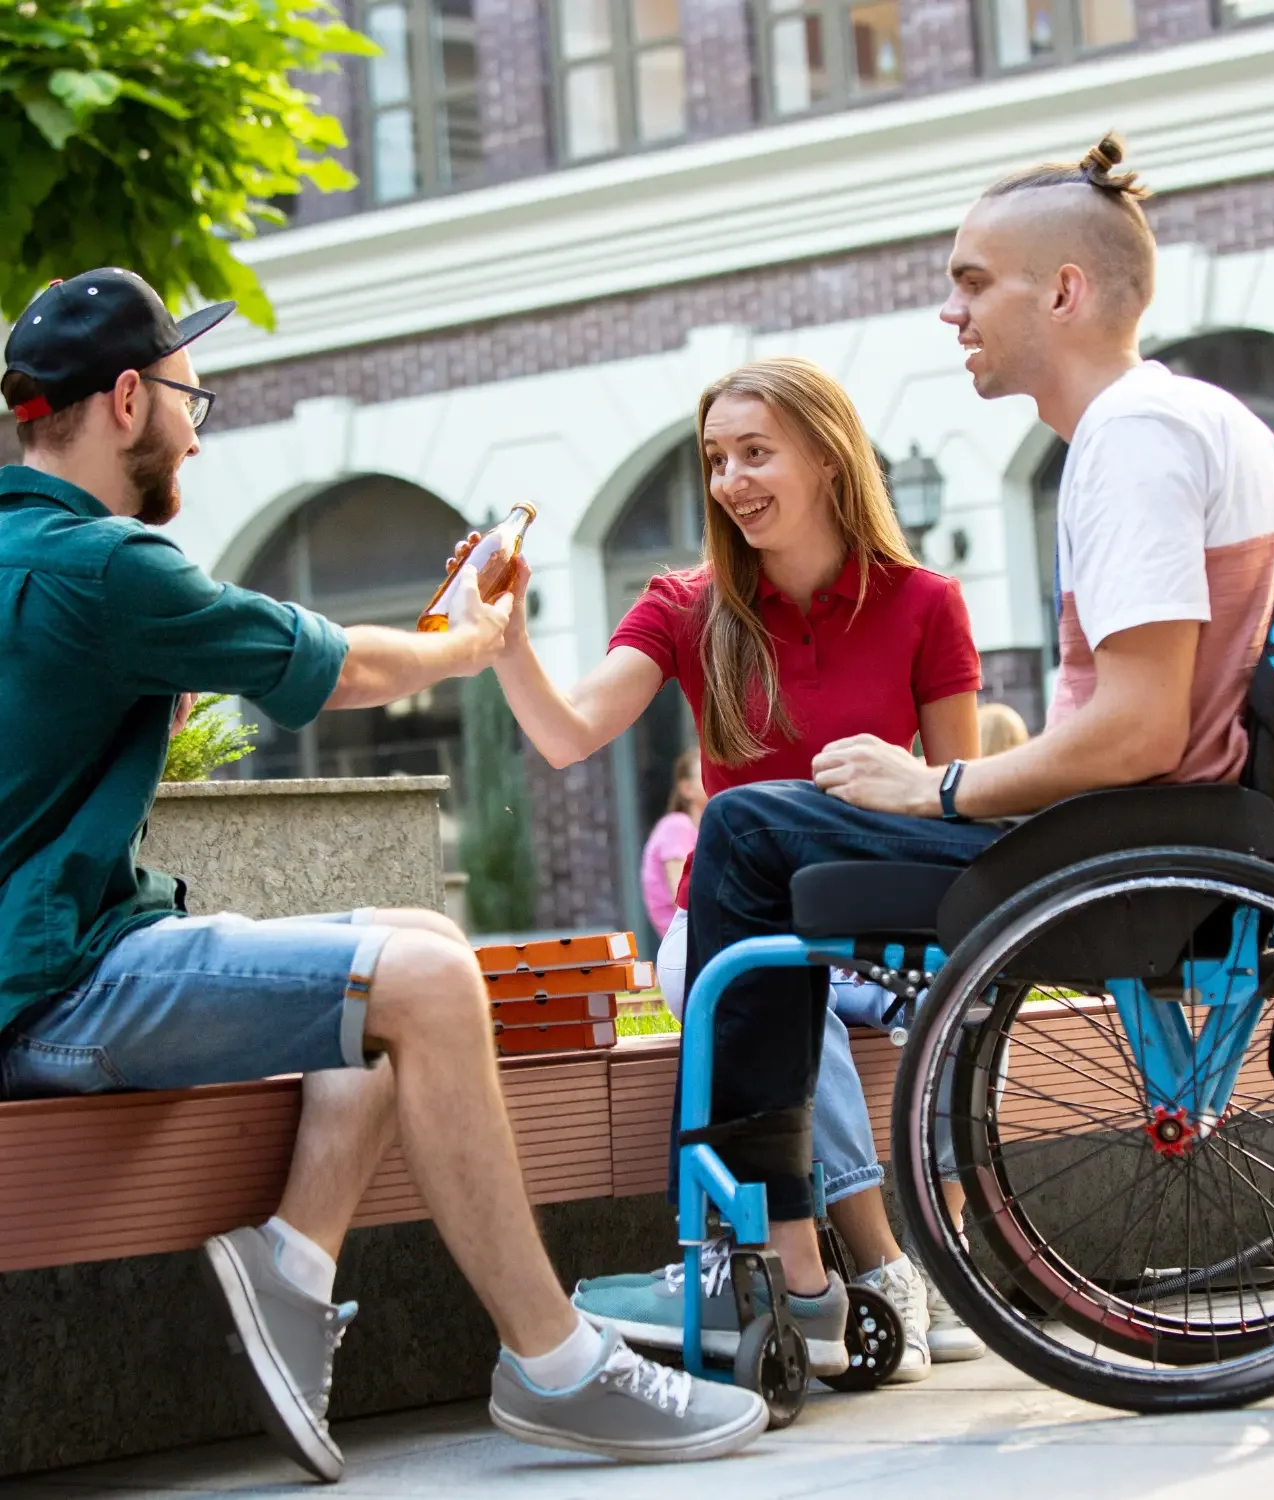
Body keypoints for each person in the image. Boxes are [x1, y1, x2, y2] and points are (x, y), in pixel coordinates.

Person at [0, 270, 768, 1483]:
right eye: (196, 399)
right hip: (56, 989)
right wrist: (473, 638)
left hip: (46, 968)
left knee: (409, 939)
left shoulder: (25, 554)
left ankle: (293, 1270)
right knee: (420, 977)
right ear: (130, 400)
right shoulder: (109, 566)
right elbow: (343, 669)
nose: (201, 428)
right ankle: (554, 1360)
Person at [625, 134, 1274, 1334]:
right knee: (760, 838)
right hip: (1182, 835)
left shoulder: (1131, 439)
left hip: (1130, 846)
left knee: (738, 832)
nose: (951, 311)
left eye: (973, 281)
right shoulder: (1202, 416)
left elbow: (1141, 728)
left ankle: (766, 1261)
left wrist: (938, 785)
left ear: (1064, 290)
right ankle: (788, 1258)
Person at [475, 356, 983, 1381]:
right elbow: (570, 736)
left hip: (880, 922)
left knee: (946, 1001)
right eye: (716, 459)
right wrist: (507, 641)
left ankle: (912, 1260)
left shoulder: (925, 603)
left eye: (756, 454)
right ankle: (879, 1270)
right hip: (744, 925)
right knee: (739, 977)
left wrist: (911, 779)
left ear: (829, 460)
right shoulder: (684, 606)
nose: (730, 482)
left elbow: (956, 811)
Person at [640, 749, 707, 939]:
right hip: (687, 941)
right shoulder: (678, 825)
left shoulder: (695, 830)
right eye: (705, 773)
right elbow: (681, 896)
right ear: (686, 788)